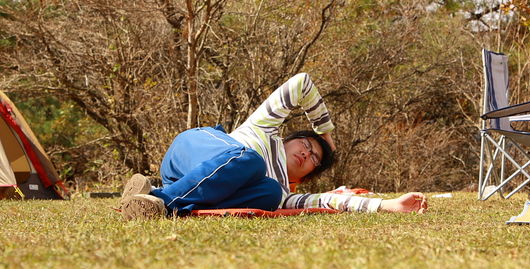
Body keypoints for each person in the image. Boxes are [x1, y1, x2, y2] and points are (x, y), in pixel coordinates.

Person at [120, 73, 427, 219]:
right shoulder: (265, 129)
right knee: (251, 160)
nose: (306, 152)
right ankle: (160, 200)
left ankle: (154, 200)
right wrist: (324, 131)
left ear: (306, 176)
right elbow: (301, 83)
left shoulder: (284, 192)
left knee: (269, 194)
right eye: (306, 144)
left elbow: (330, 201)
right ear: (289, 139)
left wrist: (390, 205)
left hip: (195, 186)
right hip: (195, 149)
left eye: (314, 158)